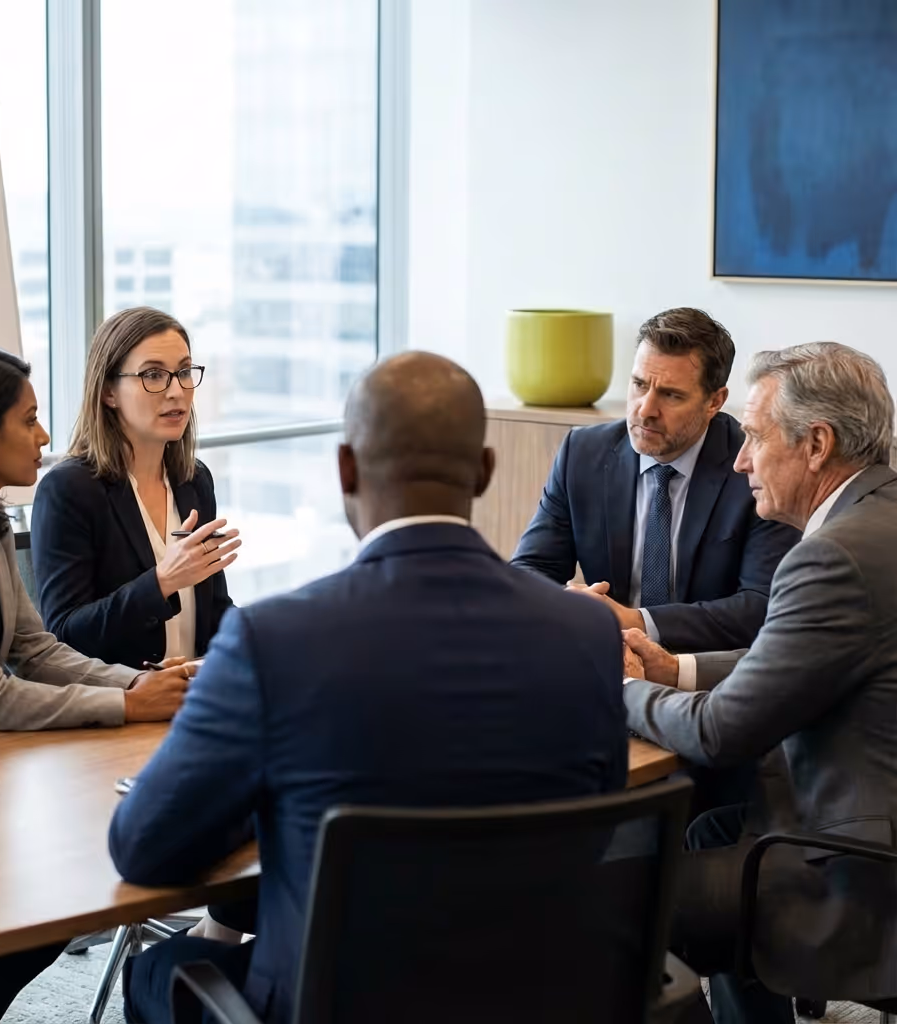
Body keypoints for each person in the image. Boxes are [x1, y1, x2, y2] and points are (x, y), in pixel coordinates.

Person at [108, 351, 629, 1024]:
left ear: (345, 468)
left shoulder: (272, 641)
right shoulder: (587, 631)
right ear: (485, 471)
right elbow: (599, 814)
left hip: (337, 1003)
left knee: (157, 968)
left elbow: (145, 846)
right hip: (539, 995)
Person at [0, 345, 191, 1024]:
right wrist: (128, 705)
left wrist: (140, 684)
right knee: (34, 908)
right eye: (30, 420)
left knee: (25, 905)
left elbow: (33, 649)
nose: (45, 437)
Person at [622, 343, 897, 1024]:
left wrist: (619, 686)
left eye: (753, 436)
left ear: (816, 444)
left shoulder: (832, 557)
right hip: (865, 829)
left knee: (623, 908)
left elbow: (721, 733)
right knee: (713, 831)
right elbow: (801, 655)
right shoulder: (879, 522)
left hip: (855, 876)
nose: (741, 459)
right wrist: (673, 669)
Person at [512, 307, 800, 655]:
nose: (645, 409)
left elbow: (761, 606)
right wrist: (571, 606)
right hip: (603, 657)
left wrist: (635, 621)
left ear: (715, 402)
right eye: (639, 385)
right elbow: (530, 570)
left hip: (709, 674)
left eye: (671, 395)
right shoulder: (583, 453)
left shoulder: (755, 467)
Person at [32, 306, 240, 670]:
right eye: (154, 375)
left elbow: (215, 612)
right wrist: (162, 581)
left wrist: (269, 629)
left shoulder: (194, 480)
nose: (177, 391)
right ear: (109, 392)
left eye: (185, 372)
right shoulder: (68, 490)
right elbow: (64, 634)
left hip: (197, 696)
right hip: (122, 709)